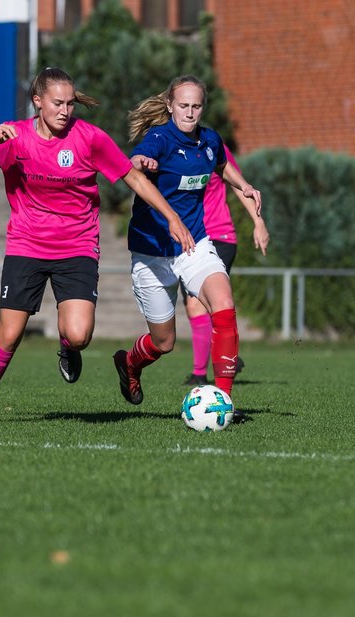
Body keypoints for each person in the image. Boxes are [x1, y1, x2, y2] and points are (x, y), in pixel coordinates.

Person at [0, 67, 194, 424]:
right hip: (26, 244)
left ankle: (67, 347)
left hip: (77, 246)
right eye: (57, 103)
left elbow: (133, 178)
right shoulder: (13, 137)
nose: (66, 111)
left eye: (70, 103)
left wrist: (172, 217)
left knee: (79, 335)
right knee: (10, 334)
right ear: (37, 102)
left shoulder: (90, 138)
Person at [112, 76, 261, 419]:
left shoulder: (209, 140)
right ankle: (129, 363)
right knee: (164, 342)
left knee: (223, 302)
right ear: (169, 105)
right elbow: (134, 163)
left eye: (196, 106)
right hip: (152, 252)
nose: (190, 113)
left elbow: (222, 165)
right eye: (183, 106)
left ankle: (223, 401)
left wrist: (245, 186)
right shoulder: (159, 139)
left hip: (194, 243)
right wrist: (142, 164)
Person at [181, 143, 269, 385]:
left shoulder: (213, 146)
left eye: (195, 107)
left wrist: (258, 222)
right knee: (200, 305)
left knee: (196, 304)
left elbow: (240, 186)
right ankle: (228, 355)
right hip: (186, 239)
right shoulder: (168, 147)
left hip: (219, 236)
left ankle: (199, 374)